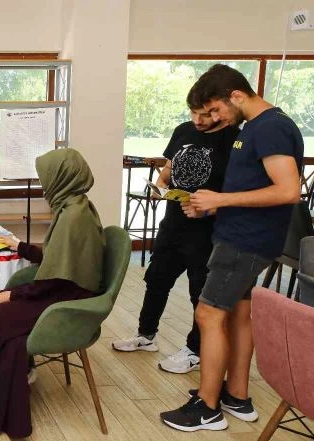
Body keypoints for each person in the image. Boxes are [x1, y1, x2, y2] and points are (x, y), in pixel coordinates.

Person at [160, 64, 303, 432]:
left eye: (216, 110)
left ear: (236, 96)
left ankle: (207, 408)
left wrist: (221, 201)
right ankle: (236, 396)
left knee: (208, 315)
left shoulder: (271, 127)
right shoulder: (255, 127)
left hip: (245, 241)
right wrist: (210, 203)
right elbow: (250, 186)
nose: (213, 119)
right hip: (239, 234)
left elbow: (288, 190)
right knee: (239, 314)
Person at [0, 148, 105, 438]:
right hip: (62, 291)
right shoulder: (75, 205)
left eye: (46, 178)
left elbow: (57, 277)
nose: (44, 184)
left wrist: (17, 296)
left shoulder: (73, 217)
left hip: (66, 302)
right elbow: (58, 260)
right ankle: (0, 393)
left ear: (62, 177)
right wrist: (20, 247)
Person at [112, 99, 240, 374]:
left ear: (219, 111)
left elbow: (235, 189)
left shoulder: (233, 139)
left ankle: (196, 350)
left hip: (207, 230)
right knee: (156, 279)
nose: (197, 120)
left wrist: (209, 208)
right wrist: (159, 186)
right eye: (193, 113)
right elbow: (170, 169)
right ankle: (146, 335)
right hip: (172, 224)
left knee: (199, 292)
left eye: (204, 115)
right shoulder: (183, 130)